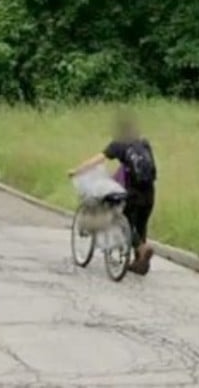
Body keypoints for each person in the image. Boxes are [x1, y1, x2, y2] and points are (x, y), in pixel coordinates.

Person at [68, 111, 158, 274]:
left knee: (124, 223)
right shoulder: (144, 143)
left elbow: (97, 160)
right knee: (141, 225)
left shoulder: (118, 144)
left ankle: (142, 249)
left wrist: (76, 171)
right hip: (150, 191)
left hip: (133, 193)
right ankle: (140, 263)